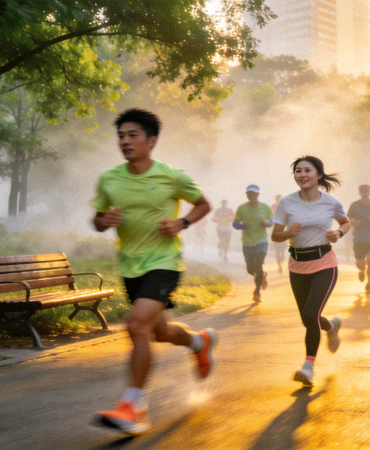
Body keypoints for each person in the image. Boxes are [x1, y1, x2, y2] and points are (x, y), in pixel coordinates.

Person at [90, 109, 216, 435]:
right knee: (159, 333)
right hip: (130, 267)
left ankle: (134, 406)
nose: (125, 141)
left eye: (133, 135)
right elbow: (98, 218)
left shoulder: (172, 176)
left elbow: (203, 203)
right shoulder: (110, 179)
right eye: (121, 135)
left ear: (151, 141)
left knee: (136, 327)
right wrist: (103, 222)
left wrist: (181, 223)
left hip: (164, 264)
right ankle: (199, 343)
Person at [271, 156, 350, 387]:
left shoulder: (330, 202)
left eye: (307, 170)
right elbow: (275, 235)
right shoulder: (287, 203)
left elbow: (345, 223)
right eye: (298, 171)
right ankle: (332, 326)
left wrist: (339, 233)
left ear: (318, 175)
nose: (302, 174)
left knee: (310, 313)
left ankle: (308, 367)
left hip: (324, 262)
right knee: (308, 318)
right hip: (297, 266)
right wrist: (289, 233)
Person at [233, 184, 274, 302]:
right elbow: (235, 224)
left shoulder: (265, 207)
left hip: (261, 241)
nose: (251, 196)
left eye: (253, 194)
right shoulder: (242, 208)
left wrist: (266, 224)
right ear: (247, 195)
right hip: (247, 242)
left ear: (257, 195)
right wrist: (243, 226)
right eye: (249, 194)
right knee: (250, 270)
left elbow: (272, 221)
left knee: (258, 264)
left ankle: (257, 291)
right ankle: (262, 276)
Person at [347, 183, 370, 294]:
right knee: (360, 263)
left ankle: (369, 284)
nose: (364, 193)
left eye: (366, 191)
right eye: (362, 191)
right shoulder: (355, 205)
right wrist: (354, 221)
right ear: (359, 192)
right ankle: (362, 270)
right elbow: (348, 219)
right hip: (358, 237)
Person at [271, 194, 288, 273]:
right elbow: (270, 217)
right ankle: (279, 266)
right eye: (278, 199)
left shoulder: (286, 207)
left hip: (283, 231)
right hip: (275, 230)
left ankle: (283, 254)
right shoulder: (273, 207)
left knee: (283, 248)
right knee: (277, 250)